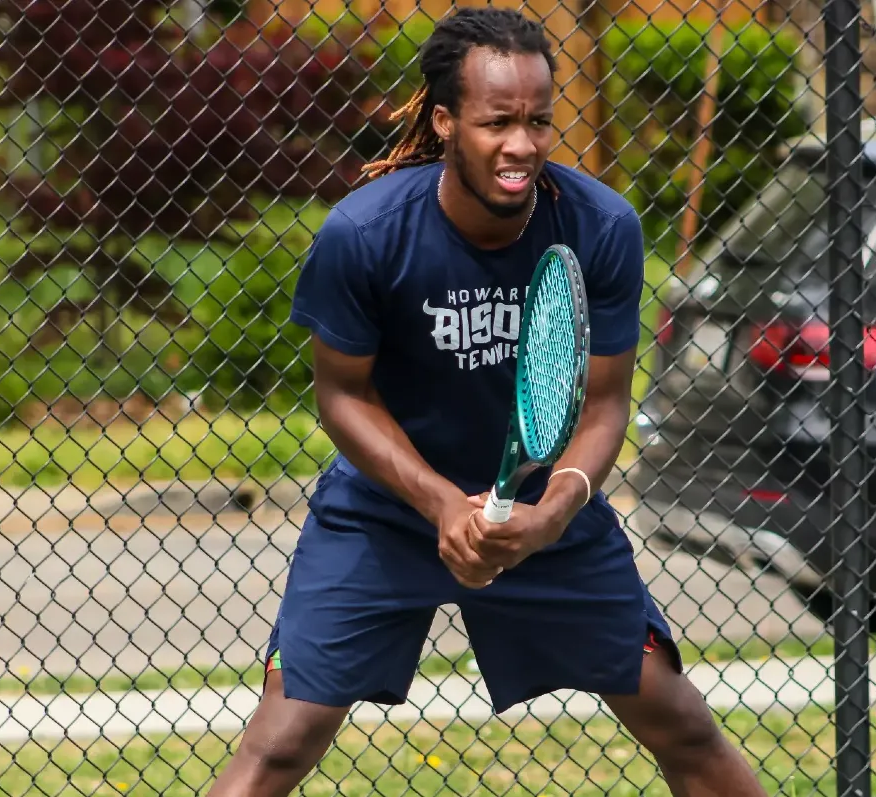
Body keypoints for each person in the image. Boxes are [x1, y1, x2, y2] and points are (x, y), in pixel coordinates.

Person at [203, 7, 773, 797]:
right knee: (280, 741)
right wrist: (440, 503)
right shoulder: (365, 235)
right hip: (387, 510)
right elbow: (342, 395)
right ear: (444, 121)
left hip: (544, 510)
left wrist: (551, 513)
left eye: (539, 121)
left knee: (681, 721)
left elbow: (605, 405)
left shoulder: (600, 226)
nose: (523, 145)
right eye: (497, 121)